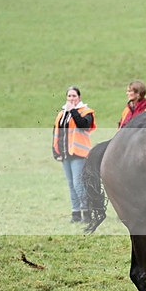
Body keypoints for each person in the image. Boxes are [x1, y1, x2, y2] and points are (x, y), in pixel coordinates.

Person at [52, 86, 96, 222]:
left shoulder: (86, 111)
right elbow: (56, 132)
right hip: (65, 154)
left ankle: (86, 212)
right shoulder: (62, 113)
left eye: (74, 96)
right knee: (71, 184)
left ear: (79, 97)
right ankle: (75, 213)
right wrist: (55, 151)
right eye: (69, 96)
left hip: (79, 153)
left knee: (78, 184)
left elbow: (84, 125)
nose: (71, 98)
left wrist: (73, 111)